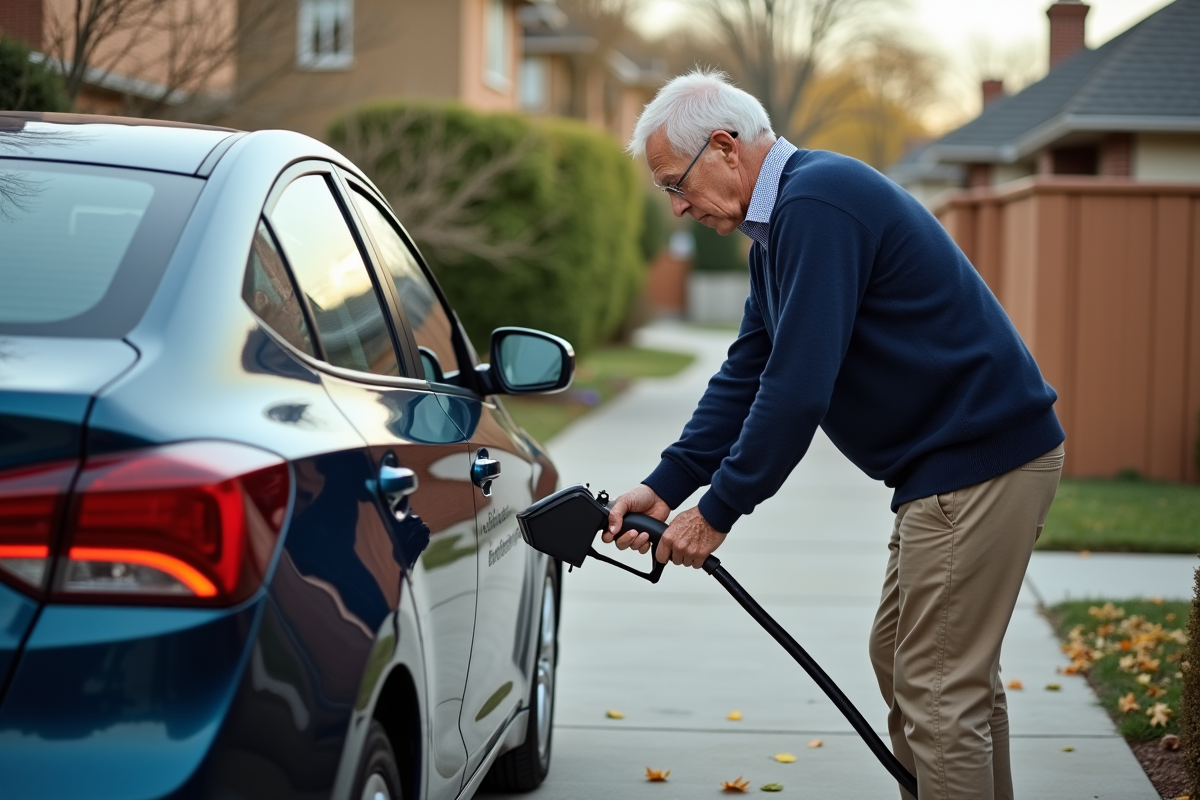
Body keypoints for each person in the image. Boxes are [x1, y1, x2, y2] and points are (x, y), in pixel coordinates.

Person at [604, 69, 1064, 800]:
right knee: (918, 668)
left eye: (675, 183)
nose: (679, 207)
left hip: (977, 463)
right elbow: (746, 373)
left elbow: (796, 388)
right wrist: (665, 486)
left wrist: (717, 510)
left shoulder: (818, 205)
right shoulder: (781, 232)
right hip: (950, 468)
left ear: (725, 147)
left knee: (938, 689)